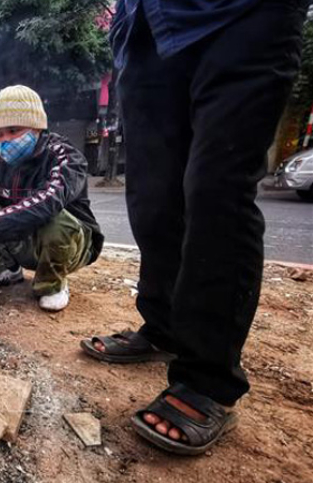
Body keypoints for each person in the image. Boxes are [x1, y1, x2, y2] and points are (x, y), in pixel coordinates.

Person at [80, 0, 309, 455]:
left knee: (216, 189)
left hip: (239, 15)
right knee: (153, 197)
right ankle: (162, 326)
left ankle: (207, 376)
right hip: (144, 29)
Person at [0, 86, 104, 312]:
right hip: (19, 237)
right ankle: (3, 270)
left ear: (36, 126)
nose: (5, 141)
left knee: (55, 217)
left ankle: (52, 284)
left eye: (13, 130)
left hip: (72, 244)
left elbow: (46, 202)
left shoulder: (64, 155)